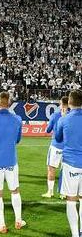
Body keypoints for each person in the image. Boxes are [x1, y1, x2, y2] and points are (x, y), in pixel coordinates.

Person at [0, 91, 26, 234]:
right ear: (9, 103)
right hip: (11, 161)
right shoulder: (17, 119)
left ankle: (2, 224)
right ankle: (18, 220)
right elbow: (18, 140)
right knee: (15, 191)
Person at [56, 90, 82, 237]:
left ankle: (75, 234)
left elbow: (58, 138)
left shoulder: (64, 119)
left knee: (71, 199)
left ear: (70, 102)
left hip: (71, 163)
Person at [42, 96, 69, 198]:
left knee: (51, 168)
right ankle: (63, 193)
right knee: (65, 169)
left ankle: (50, 192)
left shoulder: (55, 115)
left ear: (61, 104)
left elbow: (48, 130)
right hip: (67, 147)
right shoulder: (71, 116)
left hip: (56, 146)